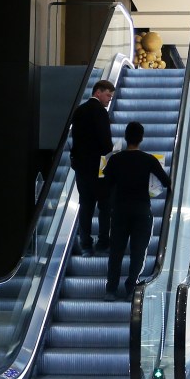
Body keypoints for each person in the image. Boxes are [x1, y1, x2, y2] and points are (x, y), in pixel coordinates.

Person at [101, 120, 171, 300]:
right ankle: (131, 287)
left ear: (125, 138)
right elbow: (166, 182)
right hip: (141, 211)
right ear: (141, 139)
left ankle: (111, 290)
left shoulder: (115, 159)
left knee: (116, 251)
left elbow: (105, 185)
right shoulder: (149, 159)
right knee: (138, 251)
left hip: (120, 211)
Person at [70, 79, 115, 254]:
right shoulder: (100, 113)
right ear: (98, 92)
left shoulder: (79, 111)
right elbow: (105, 142)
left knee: (86, 205)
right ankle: (103, 241)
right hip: (99, 167)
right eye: (108, 95)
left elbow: (75, 139)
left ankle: (85, 244)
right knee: (104, 205)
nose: (109, 100)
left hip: (81, 167)